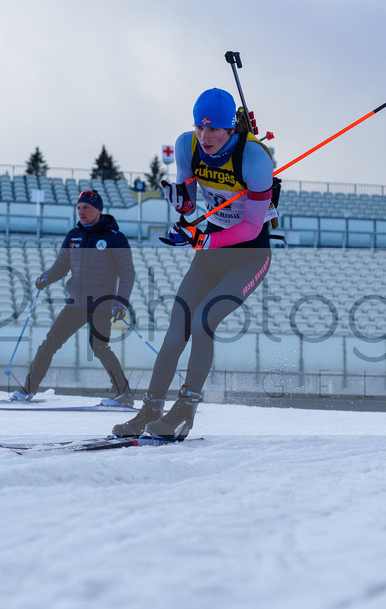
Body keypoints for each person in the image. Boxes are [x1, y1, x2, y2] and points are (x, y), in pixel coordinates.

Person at [114, 88, 278, 440]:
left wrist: (204, 239)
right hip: (211, 252)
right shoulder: (187, 145)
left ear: (231, 129)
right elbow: (189, 206)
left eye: (214, 130)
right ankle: (150, 410)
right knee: (177, 328)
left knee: (204, 321)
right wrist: (182, 207)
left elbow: (250, 226)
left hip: (250, 255)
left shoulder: (255, 159)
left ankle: (185, 412)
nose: (205, 138)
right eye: (199, 128)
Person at [11, 189, 136, 406]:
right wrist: (46, 277)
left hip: (101, 303)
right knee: (49, 345)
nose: (81, 211)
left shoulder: (115, 238)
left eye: (86, 207)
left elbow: (128, 273)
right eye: (79, 207)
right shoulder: (73, 236)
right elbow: (61, 266)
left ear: (98, 209)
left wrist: (120, 302)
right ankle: (26, 391)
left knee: (99, 347)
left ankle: (124, 395)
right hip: (76, 302)